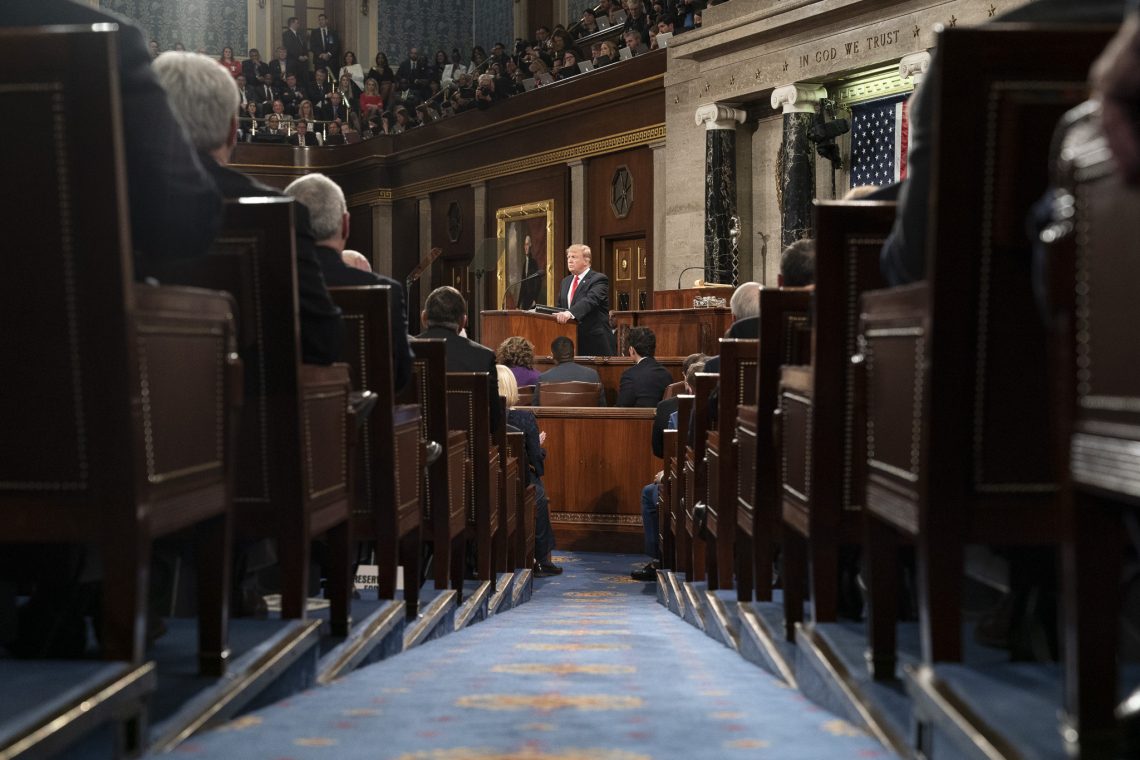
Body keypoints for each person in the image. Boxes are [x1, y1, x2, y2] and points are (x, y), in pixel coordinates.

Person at [152, 51, 343, 366]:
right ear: (231, 130)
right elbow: (324, 342)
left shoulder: (114, 203)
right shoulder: (283, 213)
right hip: (256, 408)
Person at [283, 174, 414, 392]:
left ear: (287, 224)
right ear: (345, 225)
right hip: (365, 422)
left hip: (282, 423)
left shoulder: (265, 284)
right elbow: (399, 376)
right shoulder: (387, 291)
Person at [632, 357, 705, 581]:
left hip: (688, 483)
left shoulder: (674, 413)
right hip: (727, 484)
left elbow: (670, 455)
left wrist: (667, 472)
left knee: (650, 492)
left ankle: (658, 560)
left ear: (687, 385)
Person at [496, 366, 561, 577]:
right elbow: (535, 460)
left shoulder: (478, 417)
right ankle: (541, 559)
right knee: (539, 494)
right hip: (518, 480)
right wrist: (539, 447)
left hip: (487, 479)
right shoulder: (524, 418)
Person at [417, 286, 501, 432]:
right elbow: (494, 420)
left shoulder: (407, 350)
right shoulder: (483, 357)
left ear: (424, 317)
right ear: (463, 322)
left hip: (414, 448)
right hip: (469, 449)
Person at [555, 244, 616, 356]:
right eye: (568, 257)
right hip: (571, 342)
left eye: (574, 257)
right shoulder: (565, 282)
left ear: (586, 260)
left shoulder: (598, 279)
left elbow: (590, 301)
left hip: (595, 343)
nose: (570, 260)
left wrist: (570, 313)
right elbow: (561, 307)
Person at [533, 336, 607, 406]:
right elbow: (602, 407)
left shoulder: (543, 378)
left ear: (552, 355)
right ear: (574, 352)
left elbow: (535, 409)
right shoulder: (593, 375)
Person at [615, 326, 672, 407]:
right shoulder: (666, 373)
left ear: (632, 350)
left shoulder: (629, 375)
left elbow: (622, 408)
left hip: (637, 419)